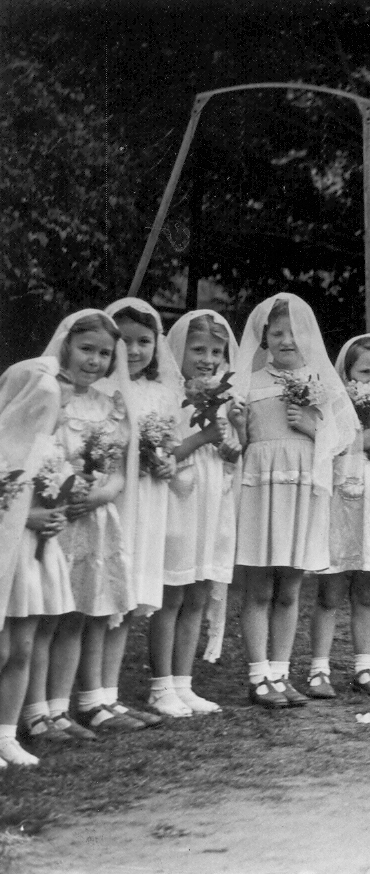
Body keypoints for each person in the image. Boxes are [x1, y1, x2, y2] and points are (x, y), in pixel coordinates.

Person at [230, 294, 355, 708]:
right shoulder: (248, 382)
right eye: (277, 332)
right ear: (263, 337)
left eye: (294, 333)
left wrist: (313, 427)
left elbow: (345, 436)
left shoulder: (319, 381)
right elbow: (238, 442)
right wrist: (237, 428)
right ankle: (258, 675)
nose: (287, 340)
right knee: (260, 588)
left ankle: (281, 673)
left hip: (304, 487)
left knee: (290, 588)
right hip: (262, 487)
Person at [28, 311, 137, 737]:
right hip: (54, 518)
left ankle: (60, 710)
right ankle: (36, 713)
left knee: (78, 615)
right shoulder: (47, 394)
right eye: (86, 349)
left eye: (104, 354)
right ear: (66, 346)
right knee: (46, 617)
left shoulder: (111, 405)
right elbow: (27, 453)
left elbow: (121, 470)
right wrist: (59, 491)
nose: (94, 361)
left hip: (95, 517)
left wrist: (103, 492)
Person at [95, 299, 184, 728]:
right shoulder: (103, 390)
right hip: (113, 500)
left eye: (144, 342)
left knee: (130, 598)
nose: (133, 351)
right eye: (124, 341)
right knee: (107, 593)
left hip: (148, 499)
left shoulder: (163, 391)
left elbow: (171, 443)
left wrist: (166, 461)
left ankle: (108, 695)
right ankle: (92, 696)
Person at [151, 310, 242, 716]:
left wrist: (231, 445)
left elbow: (230, 452)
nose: (208, 358)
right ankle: (160, 685)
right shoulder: (166, 396)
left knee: (199, 593)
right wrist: (203, 437)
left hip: (212, 501)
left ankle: (184, 684)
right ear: (178, 348)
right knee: (172, 594)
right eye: (198, 349)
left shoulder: (222, 398)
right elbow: (160, 451)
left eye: (216, 351)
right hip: (178, 500)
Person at [307, 334, 370, 698]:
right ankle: (319, 669)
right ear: (347, 373)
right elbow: (321, 448)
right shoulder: (333, 408)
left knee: (366, 593)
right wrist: (354, 441)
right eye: (365, 371)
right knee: (330, 592)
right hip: (341, 505)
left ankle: (364, 668)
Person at [0, 358, 65, 766]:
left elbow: (58, 490)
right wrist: (27, 516)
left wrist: (56, 514)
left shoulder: (48, 451)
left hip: (29, 555)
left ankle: (6, 734)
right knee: (2, 649)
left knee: (22, 647)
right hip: (3, 552)